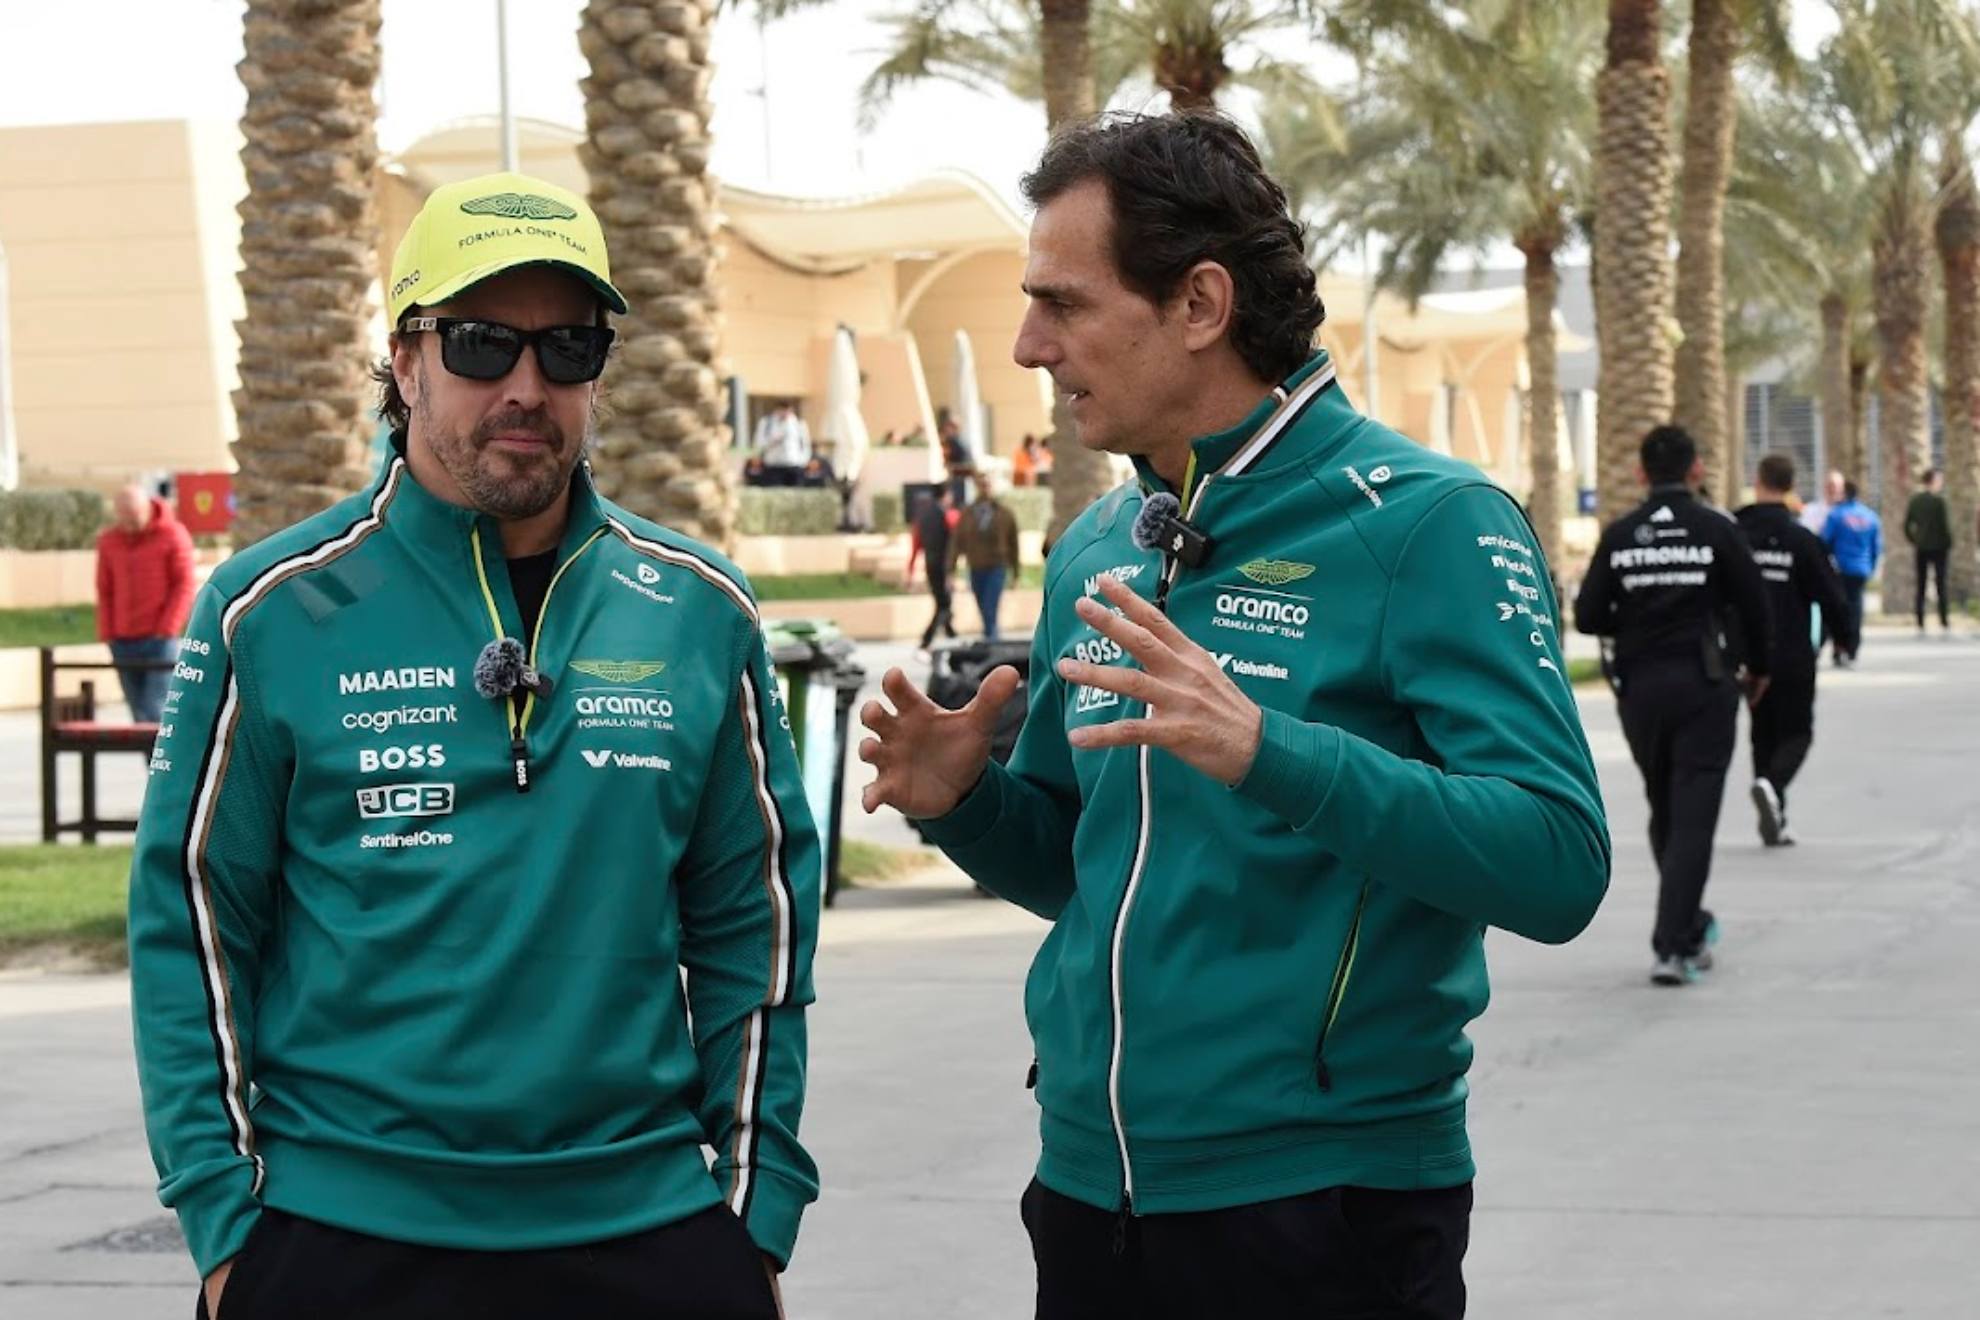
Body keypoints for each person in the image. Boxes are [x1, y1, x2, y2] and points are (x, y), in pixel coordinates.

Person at [858, 111, 1608, 1320]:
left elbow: (1560, 865)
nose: (1026, 345)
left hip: (1326, 1207)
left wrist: (1271, 753)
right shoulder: (1102, 540)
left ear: (1200, 305)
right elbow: (1090, 867)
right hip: (1088, 1193)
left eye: (1064, 303)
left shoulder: (1432, 522)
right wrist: (970, 806)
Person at [128, 171, 817, 1320]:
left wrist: (754, 1216)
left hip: (645, 1228)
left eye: (570, 350)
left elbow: (759, 924)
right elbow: (191, 916)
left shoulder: (699, 611)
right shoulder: (270, 611)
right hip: (338, 1233)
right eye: (484, 344)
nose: (528, 388)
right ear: (406, 361)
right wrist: (220, 1219)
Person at [1576, 425, 1773, 985]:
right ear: (1697, 470)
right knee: (1692, 815)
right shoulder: (1716, 530)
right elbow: (1756, 607)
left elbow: (1589, 615)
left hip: (1640, 693)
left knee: (1666, 806)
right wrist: (1759, 670)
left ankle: (1685, 925)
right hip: (1703, 686)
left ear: (1641, 473)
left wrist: (1637, 617)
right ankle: (1673, 943)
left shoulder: (1621, 535)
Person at [1736, 453, 1858, 847]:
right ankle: (1773, 789)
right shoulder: (1801, 540)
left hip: (1750, 656)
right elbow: (1833, 597)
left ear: (1758, 481)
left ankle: (1774, 808)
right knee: (1798, 734)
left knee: (1763, 733)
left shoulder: (1736, 534)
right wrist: (1845, 639)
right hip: (1792, 654)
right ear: (1790, 487)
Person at [95, 483, 196, 723]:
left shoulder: (173, 535)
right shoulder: (109, 541)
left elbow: (184, 584)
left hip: (159, 640)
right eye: (124, 518)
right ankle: (150, 762)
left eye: (134, 517)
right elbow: (105, 589)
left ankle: (165, 761)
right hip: (123, 640)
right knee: (139, 714)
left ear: (147, 508)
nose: (129, 525)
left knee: (156, 710)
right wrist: (108, 632)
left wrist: (167, 628)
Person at [953, 473, 1022, 640]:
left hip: (997, 566)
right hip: (976, 566)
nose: (985, 488)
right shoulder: (968, 513)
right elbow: (957, 541)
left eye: (988, 485)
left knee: (991, 605)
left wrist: (1016, 572)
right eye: (982, 485)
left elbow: (1014, 544)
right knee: (982, 605)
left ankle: (992, 637)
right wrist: (951, 569)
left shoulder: (1005, 514)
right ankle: (989, 634)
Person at [1821, 479, 1882, 666]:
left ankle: (1839, 648)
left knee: (1838, 609)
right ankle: (1852, 649)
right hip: (1861, 569)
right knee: (1856, 610)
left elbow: (1824, 542)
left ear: (1844, 493)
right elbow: (1876, 547)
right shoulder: (1870, 517)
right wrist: (1871, 566)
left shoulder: (1836, 515)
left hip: (1840, 569)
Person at [908, 484, 960, 652]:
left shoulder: (923, 516)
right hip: (943, 565)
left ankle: (951, 632)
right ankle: (927, 638)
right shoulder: (947, 515)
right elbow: (954, 539)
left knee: (943, 600)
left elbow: (916, 544)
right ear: (945, 496)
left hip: (930, 564)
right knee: (944, 604)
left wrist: (911, 568)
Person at [1903, 467, 1952, 634]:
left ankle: (1920, 619)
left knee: (1921, 584)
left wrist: (1915, 540)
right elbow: (1946, 526)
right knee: (1941, 584)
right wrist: (1948, 543)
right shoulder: (1939, 502)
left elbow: (1907, 525)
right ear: (1934, 481)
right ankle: (1944, 619)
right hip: (1939, 548)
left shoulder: (1916, 500)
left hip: (1921, 547)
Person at [752, 400, 811, 485]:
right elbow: (758, 443)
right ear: (777, 410)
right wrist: (773, 440)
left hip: (794, 465)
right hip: (773, 465)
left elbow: (805, 444)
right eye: (782, 410)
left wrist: (803, 461)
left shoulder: (799, 423)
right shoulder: (767, 423)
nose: (785, 413)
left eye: (787, 411)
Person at [1799, 468, 1844, 535]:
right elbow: (1805, 533)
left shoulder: (1847, 512)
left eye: (1839, 486)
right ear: (1825, 487)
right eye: (1831, 485)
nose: (1835, 490)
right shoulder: (1811, 510)